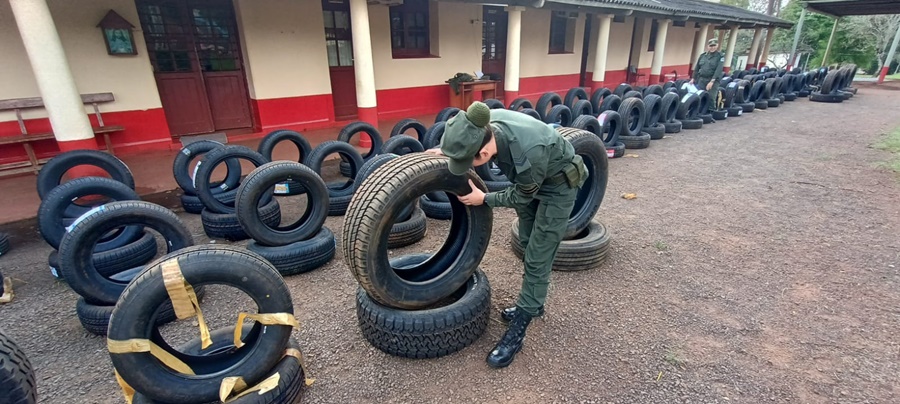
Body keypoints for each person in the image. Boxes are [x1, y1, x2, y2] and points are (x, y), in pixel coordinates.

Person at [426, 101, 588, 368]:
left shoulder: (528, 152)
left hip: (557, 187)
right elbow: (470, 142)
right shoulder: (484, 125)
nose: (469, 164)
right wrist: (451, 151)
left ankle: (518, 331)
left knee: (538, 257)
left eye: (471, 160)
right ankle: (534, 302)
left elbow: (523, 196)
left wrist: (484, 198)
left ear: (486, 150)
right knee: (526, 243)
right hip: (531, 179)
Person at [692, 38, 725, 104]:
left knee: (711, 98)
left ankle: (711, 113)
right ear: (708, 46)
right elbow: (697, 68)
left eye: (714, 45)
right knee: (699, 97)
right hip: (702, 79)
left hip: (713, 80)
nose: (712, 47)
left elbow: (718, 70)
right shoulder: (703, 56)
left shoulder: (720, 56)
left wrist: (712, 81)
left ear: (717, 45)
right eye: (711, 46)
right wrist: (693, 78)